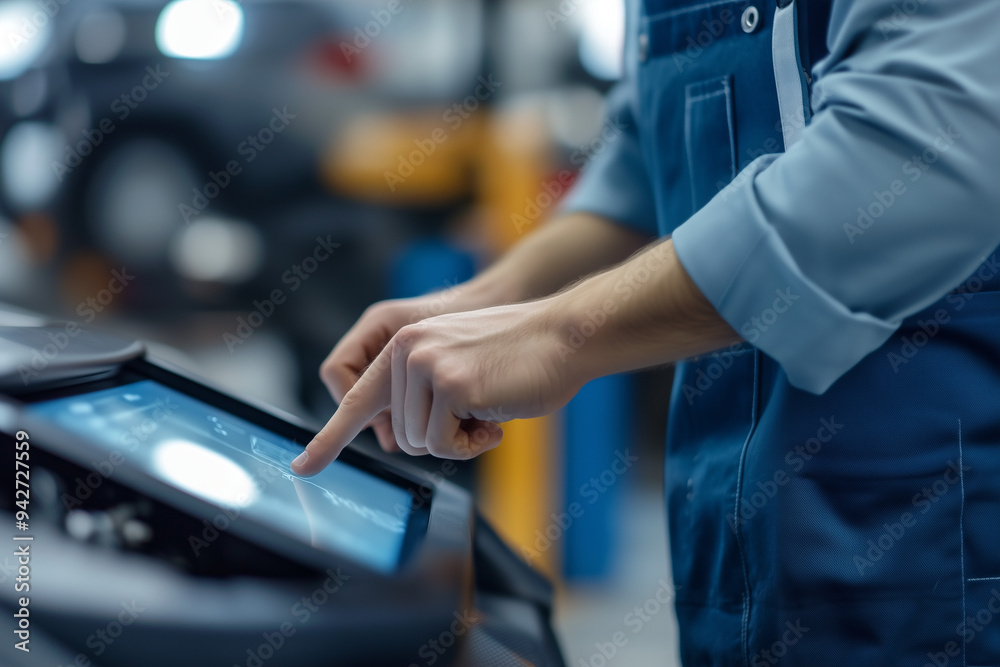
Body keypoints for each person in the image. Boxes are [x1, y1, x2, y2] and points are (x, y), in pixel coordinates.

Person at [292, 0, 1000, 663]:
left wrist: (557, 334)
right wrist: (487, 299)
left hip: (937, 529)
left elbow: (919, 152)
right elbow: (646, 151)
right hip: (733, 523)